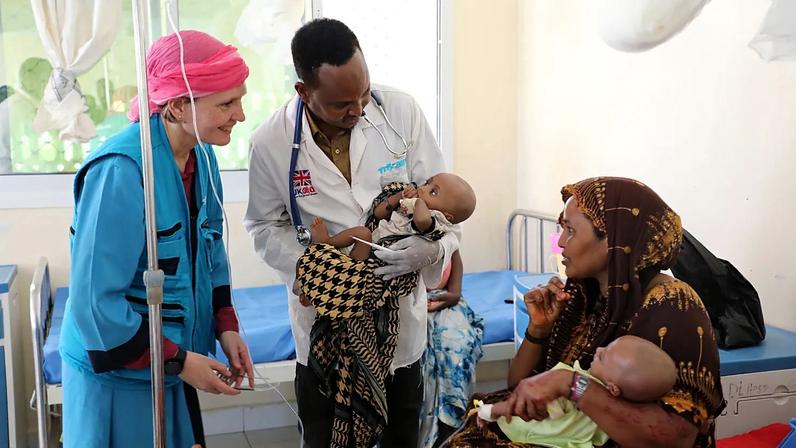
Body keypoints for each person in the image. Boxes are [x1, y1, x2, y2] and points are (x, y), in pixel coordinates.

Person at [244, 18, 460, 448]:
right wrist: (313, 267)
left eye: (363, 93)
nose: (359, 109)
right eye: (343, 103)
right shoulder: (270, 141)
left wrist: (429, 250)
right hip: (326, 329)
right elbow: (264, 226)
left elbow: (447, 205)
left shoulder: (401, 111)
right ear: (304, 93)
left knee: (401, 438)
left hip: (399, 328)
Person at [59, 30, 255, 448]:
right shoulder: (121, 171)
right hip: (118, 380)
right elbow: (96, 304)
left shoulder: (202, 157)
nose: (240, 115)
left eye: (239, 99)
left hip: (170, 367)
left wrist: (226, 326)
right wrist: (180, 361)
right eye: (226, 103)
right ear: (180, 105)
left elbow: (209, 251)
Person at [448, 177, 725, 448]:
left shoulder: (674, 306)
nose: (560, 243)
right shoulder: (586, 295)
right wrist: (539, 330)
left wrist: (574, 385)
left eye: (571, 230)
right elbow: (521, 388)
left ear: (614, 241)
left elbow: (677, 437)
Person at [476, 335, 677, 447]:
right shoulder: (616, 415)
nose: (598, 350)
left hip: (524, 433)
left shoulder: (568, 381)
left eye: (603, 357)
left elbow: (524, 407)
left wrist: (489, 411)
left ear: (613, 387)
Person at [308, 172, 475, 261]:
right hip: (371, 241)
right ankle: (327, 244)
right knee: (360, 233)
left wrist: (418, 202)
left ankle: (328, 247)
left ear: (448, 216)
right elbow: (379, 213)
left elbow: (423, 221)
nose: (423, 188)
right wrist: (399, 196)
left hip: (377, 257)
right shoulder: (413, 203)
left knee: (359, 239)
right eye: (427, 182)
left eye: (433, 192)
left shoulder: (436, 221)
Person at [419, 247, 484, 448]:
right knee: (418, 354)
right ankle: (423, 430)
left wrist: (437, 302)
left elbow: (454, 295)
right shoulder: (405, 244)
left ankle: (452, 421)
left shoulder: (450, 248)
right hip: (412, 304)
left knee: (456, 344)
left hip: (446, 304)